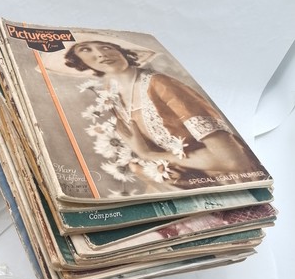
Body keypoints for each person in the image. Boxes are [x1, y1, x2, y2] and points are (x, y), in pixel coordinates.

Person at [63, 39, 261, 192]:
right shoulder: (110, 94)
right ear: (81, 63)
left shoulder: (161, 84)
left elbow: (233, 161)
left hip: (228, 181)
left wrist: (149, 155)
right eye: (86, 50)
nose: (100, 53)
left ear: (121, 51)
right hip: (184, 180)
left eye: (106, 47)